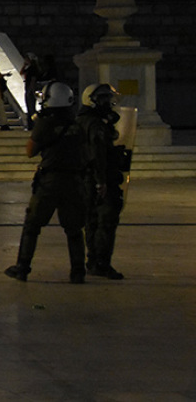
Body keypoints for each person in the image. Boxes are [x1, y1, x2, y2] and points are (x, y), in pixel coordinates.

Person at [5, 81, 89, 284]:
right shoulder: (77, 124)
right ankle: (78, 271)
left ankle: (23, 267)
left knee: (32, 225)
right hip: (74, 180)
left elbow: (30, 151)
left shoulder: (46, 123)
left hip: (50, 181)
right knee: (74, 229)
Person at [78, 83, 127, 280]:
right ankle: (101, 263)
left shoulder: (81, 120)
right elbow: (98, 153)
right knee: (105, 222)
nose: (107, 103)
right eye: (103, 99)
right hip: (99, 178)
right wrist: (101, 181)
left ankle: (92, 260)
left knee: (91, 222)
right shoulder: (96, 125)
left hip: (84, 178)